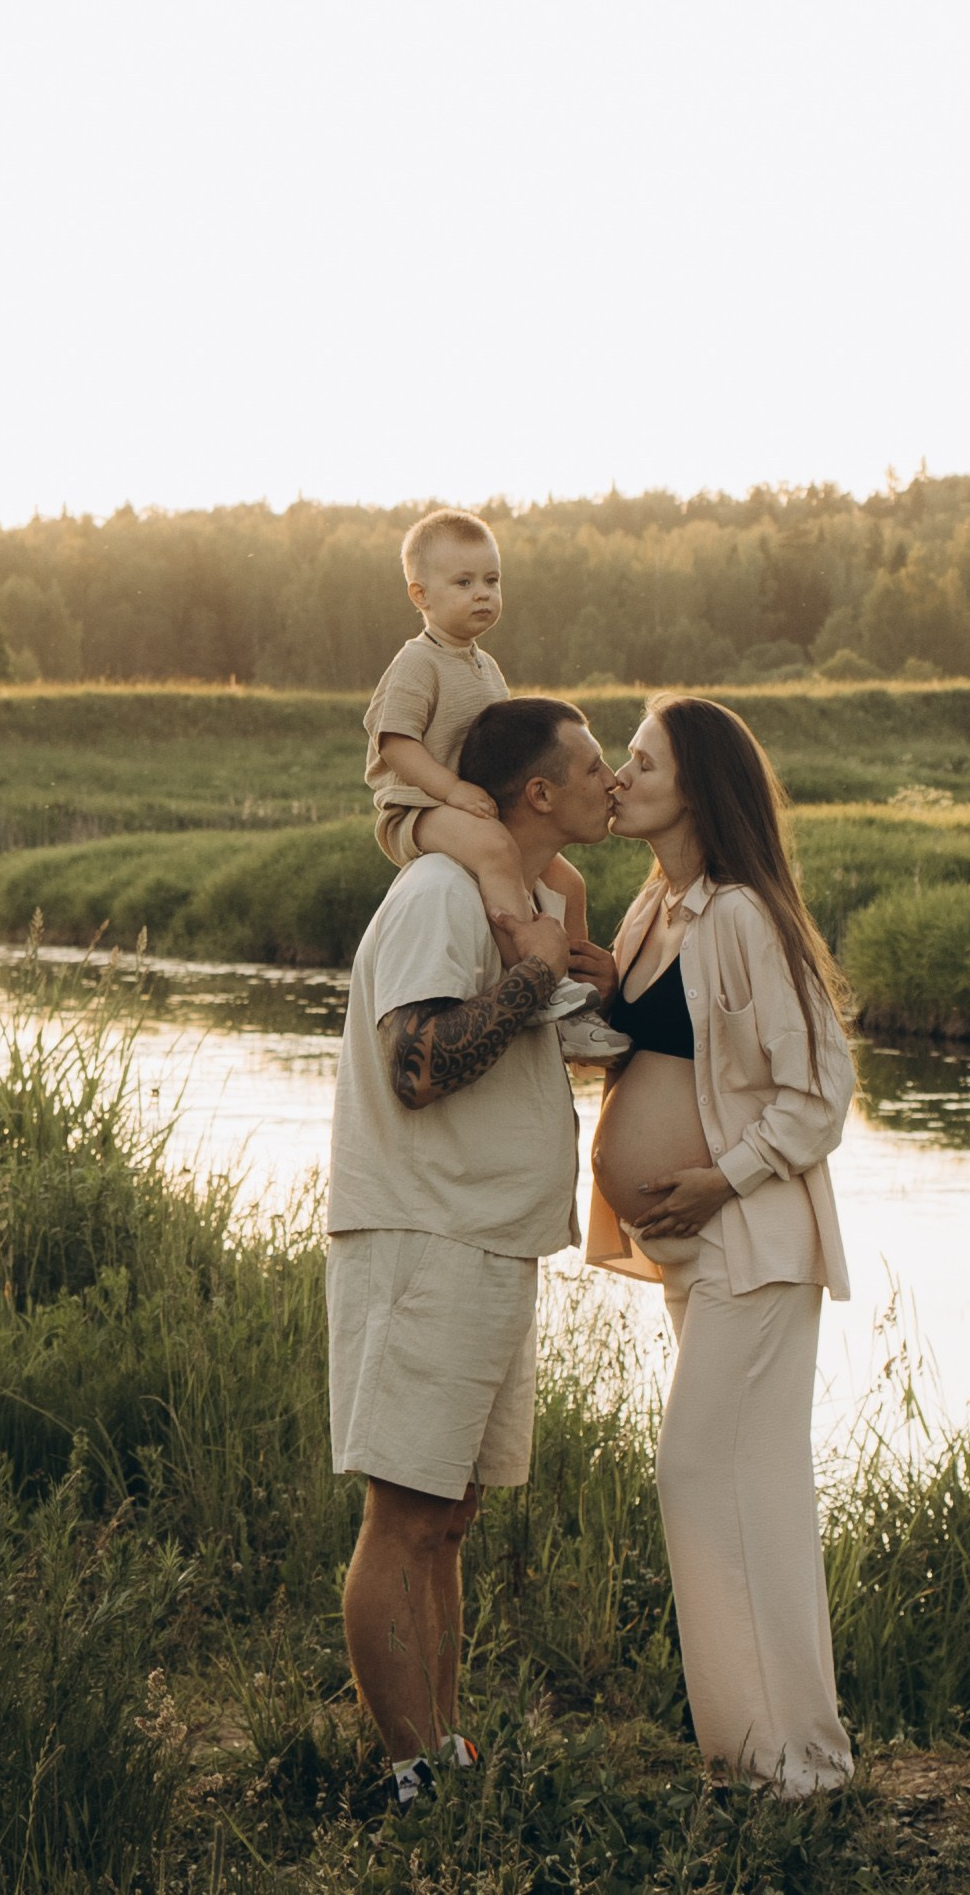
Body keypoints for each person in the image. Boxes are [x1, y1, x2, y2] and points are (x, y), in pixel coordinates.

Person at [326, 691, 622, 1808]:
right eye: (594, 766)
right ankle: (409, 1779)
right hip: (424, 1238)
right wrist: (536, 978)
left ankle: (444, 1755)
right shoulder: (441, 893)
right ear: (537, 792)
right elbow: (418, 1066)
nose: (612, 782)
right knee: (404, 1516)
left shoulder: (532, 898)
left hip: (489, 1240)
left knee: (450, 1517)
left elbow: (547, 1037)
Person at [587, 693, 855, 1797]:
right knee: (758, 1488)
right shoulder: (654, 909)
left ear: (696, 785)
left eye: (640, 760)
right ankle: (797, 1756)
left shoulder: (743, 915)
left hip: (754, 1241)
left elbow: (819, 1093)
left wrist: (717, 1179)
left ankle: (766, 1761)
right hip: (701, 1254)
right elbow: (633, 1047)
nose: (620, 776)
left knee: (700, 1471)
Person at [364, 509, 626, 1060]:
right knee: (495, 848)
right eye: (463, 583)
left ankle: (575, 1006)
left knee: (570, 885)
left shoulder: (487, 668)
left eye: (492, 580)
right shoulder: (418, 663)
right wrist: (450, 790)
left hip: (468, 807)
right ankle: (533, 977)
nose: (482, 594)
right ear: (421, 595)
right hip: (416, 811)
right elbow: (395, 743)